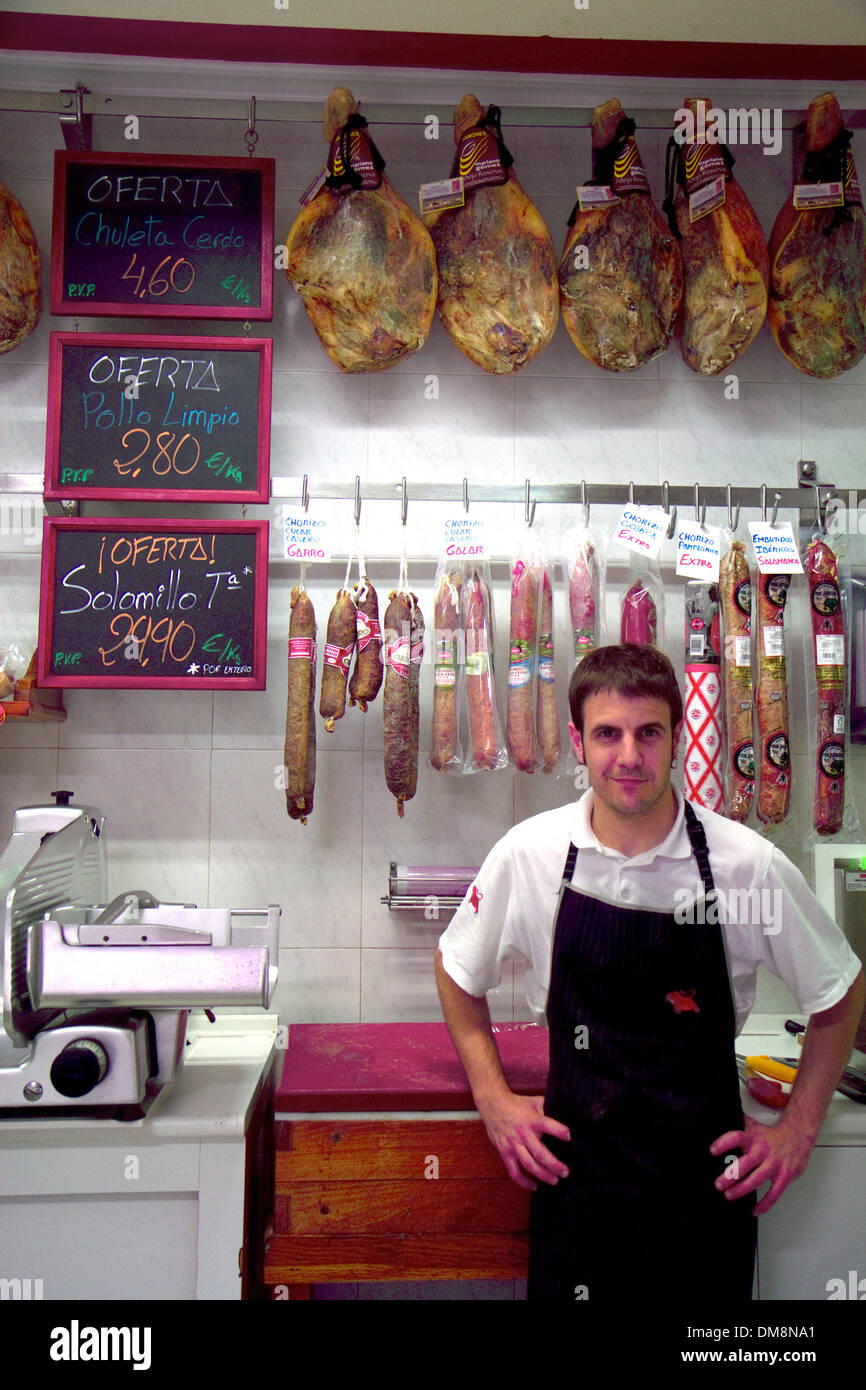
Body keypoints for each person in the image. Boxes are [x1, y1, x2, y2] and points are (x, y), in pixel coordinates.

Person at [435, 644, 864, 1302]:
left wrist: (798, 1130)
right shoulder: (531, 855)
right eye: (608, 734)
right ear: (578, 742)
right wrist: (492, 1099)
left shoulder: (745, 865)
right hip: (577, 1184)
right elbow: (457, 971)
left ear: (675, 738)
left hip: (705, 1193)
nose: (629, 756)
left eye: (648, 733)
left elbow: (840, 992)